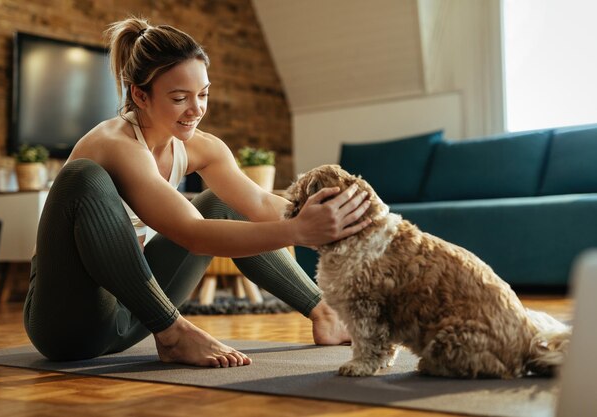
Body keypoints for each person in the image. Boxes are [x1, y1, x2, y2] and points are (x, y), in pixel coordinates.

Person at [23, 17, 372, 368]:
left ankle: (325, 312)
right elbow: (192, 234)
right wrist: (296, 231)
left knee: (219, 202)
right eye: (179, 98)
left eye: (203, 94)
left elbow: (260, 202)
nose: (196, 109)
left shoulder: (203, 147)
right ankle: (174, 334)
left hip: (136, 315)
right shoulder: (113, 144)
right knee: (81, 176)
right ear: (140, 95)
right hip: (67, 326)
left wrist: (339, 224)